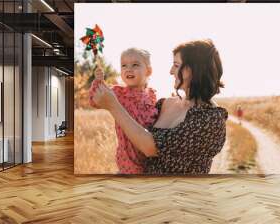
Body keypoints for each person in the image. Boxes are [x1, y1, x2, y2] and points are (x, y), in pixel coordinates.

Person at [92, 39, 228, 174]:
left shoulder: (210, 119)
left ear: (193, 69)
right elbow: (134, 128)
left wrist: (113, 106)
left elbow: (150, 148)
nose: (170, 71)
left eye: (176, 65)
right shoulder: (165, 104)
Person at [89, 48, 158, 174]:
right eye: (124, 65)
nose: (129, 69)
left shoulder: (152, 95)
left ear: (148, 71)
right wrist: (98, 82)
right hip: (128, 157)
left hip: (148, 154)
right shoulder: (118, 93)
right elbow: (95, 101)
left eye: (135, 65)